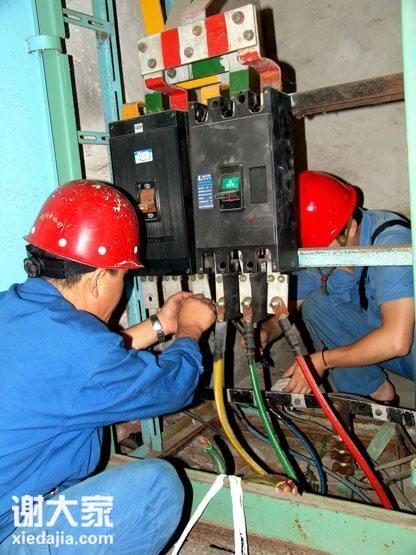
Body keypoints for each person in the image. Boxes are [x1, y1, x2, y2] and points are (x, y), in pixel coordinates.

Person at [0, 180, 216, 554]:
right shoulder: (80, 352)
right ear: (99, 279)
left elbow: (83, 367)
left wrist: (161, 325)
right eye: (123, 276)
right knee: (157, 489)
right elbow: (173, 388)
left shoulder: (13, 309)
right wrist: (191, 329)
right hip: (9, 528)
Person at [260, 171, 414, 403]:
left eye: (322, 250)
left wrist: (322, 360)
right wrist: (266, 331)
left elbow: (397, 341)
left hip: (406, 345)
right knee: (316, 306)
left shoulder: (392, 242)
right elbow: (293, 304)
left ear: (351, 227)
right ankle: (377, 395)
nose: (319, 260)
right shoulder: (328, 248)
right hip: (387, 346)